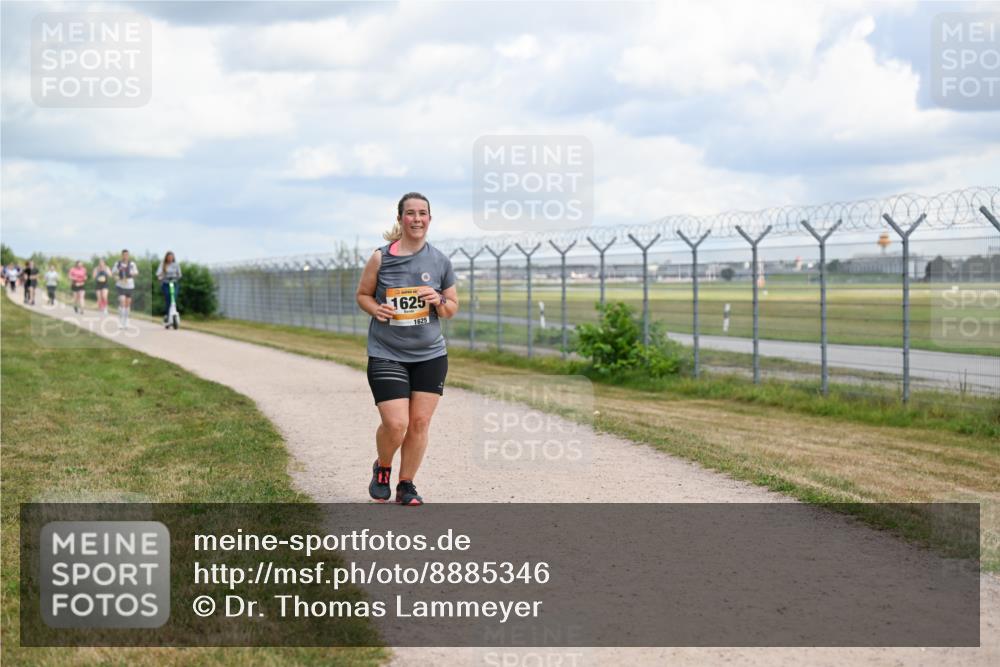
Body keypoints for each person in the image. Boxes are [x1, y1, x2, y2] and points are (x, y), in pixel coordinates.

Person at [356, 192, 459, 506]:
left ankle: (406, 484)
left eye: (422, 213)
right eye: (410, 213)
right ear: (400, 218)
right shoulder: (381, 258)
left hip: (430, 355)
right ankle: (383, 467)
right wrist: (376, 309)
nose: (417, 219)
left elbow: (451, 308)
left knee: (419, 423)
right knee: (396, 423)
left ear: (429, 219)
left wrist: (438, 300)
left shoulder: (440, 261)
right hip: (387, 352)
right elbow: (363, 295)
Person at [112, 249, 139, 329]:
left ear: (128, 255)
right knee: (122, 301)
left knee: (127, 304)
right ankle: (120, 321)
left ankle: (126, 321)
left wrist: (132, 273)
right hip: (120, 285)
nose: (125, 256)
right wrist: (116, 277)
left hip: (129, 285)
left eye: (127, 255)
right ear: (122, 255)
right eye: (124, 255)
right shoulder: (118, 264)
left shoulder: (132, 264)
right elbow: (113, 273)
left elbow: (136, 272)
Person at [156, 251, 182, 325]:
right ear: (166, 257)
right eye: (169, 257)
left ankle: (173, 313)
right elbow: (158, 274)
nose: (170, 258)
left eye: (171, 257)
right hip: (166, 283)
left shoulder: (176, 265)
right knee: (168, 298)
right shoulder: (163, 264)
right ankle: (167, 315)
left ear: (173, 258)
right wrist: (161, 277)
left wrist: (177, 277)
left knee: (173, 298)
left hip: (174, 283)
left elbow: (179, 274)